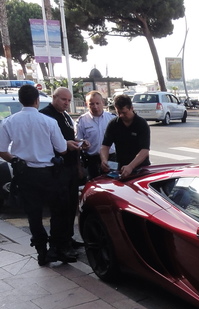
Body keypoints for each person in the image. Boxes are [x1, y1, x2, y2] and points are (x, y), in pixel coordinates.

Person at [0, 84, 75, 265]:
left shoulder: (9, 122)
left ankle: (41, 251)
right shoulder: (48, 122)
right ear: (37, 100)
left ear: (20, 100)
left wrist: (15, 160)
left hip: (25, 174)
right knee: (59, 211)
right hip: (49, 173)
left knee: (34, 214)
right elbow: (62, 149)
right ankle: (56, 248)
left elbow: (2, 150)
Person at [40, 87, 83, 252]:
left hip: (70, 167)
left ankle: (68, 238)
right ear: (54, 97)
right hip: (56, 169)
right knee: (60, 209)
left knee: (72, 206)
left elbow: (68, 138)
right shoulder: (46, 115)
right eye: (63, 99)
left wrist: (79, 142)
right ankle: (59, 245)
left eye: (69, 100)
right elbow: (46, 142)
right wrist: (67, 144)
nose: (67, 103)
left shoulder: (65, 116)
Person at [100, 94, 151, 178]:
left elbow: (144, 150)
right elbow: (105, 146)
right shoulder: (113, 124)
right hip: (121, 168)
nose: (121, 116)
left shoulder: (141, 124)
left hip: (141, 168)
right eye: (118, 113)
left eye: (124, 112)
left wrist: (131, 166)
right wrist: (104, 160)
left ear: (131, 108)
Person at [75, 91, 116, 179]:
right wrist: (82, 144)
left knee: (113, 185)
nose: (95, 106)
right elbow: (77, 143)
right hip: (92, 160)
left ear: (103, 103)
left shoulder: (112, 118)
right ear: (86, 104)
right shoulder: (81, 121)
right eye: (91, 104)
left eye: (98, 103)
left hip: (111, 159)